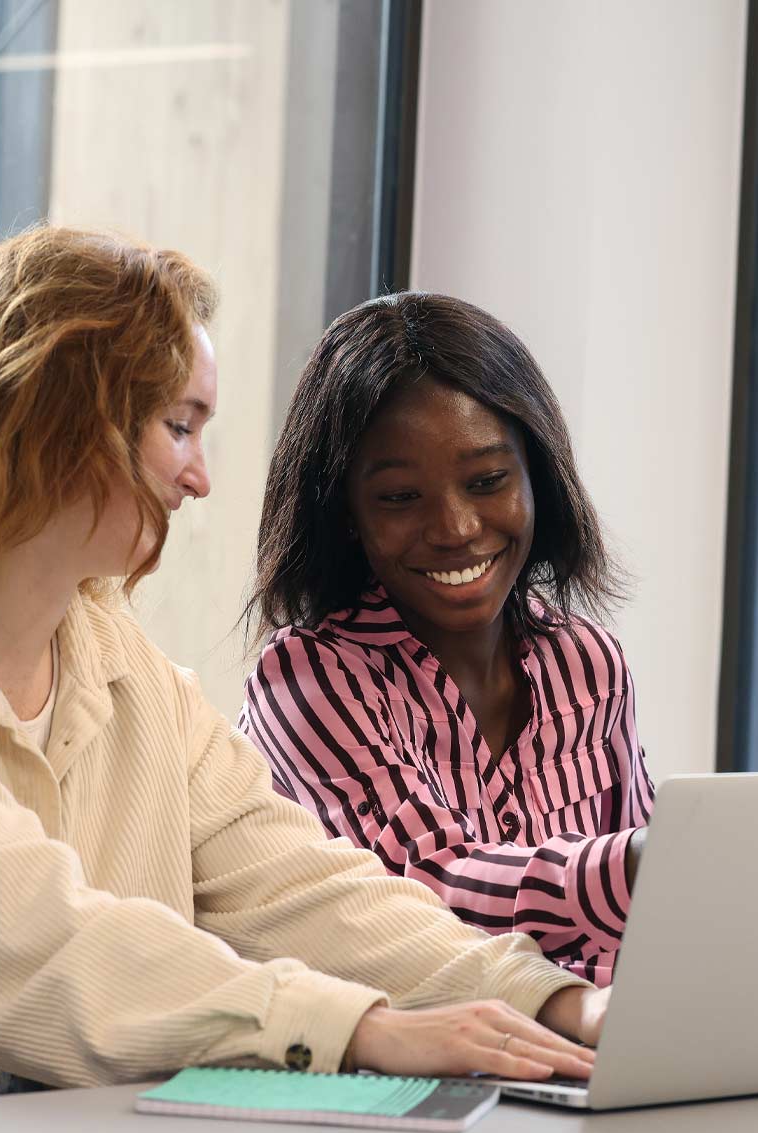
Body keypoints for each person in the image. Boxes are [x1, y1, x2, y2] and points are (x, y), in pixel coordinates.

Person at [0, 227, 604, 1104]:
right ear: (56, 426)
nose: (199, 477)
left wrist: (554, 1002)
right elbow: (33, 948)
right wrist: (355, 1029)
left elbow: (300, 884)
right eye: (179, 426)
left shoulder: (115, 660)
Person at [239, 293, 651, 986]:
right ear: (343, 515)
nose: (456, 527)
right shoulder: (308, 680)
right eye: (401, 498)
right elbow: (424, 897)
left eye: (488, 481)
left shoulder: (590, 663)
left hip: (589, 1057)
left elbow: (651, 917)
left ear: (538, 479)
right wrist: (636, 865)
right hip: (409, 1074)